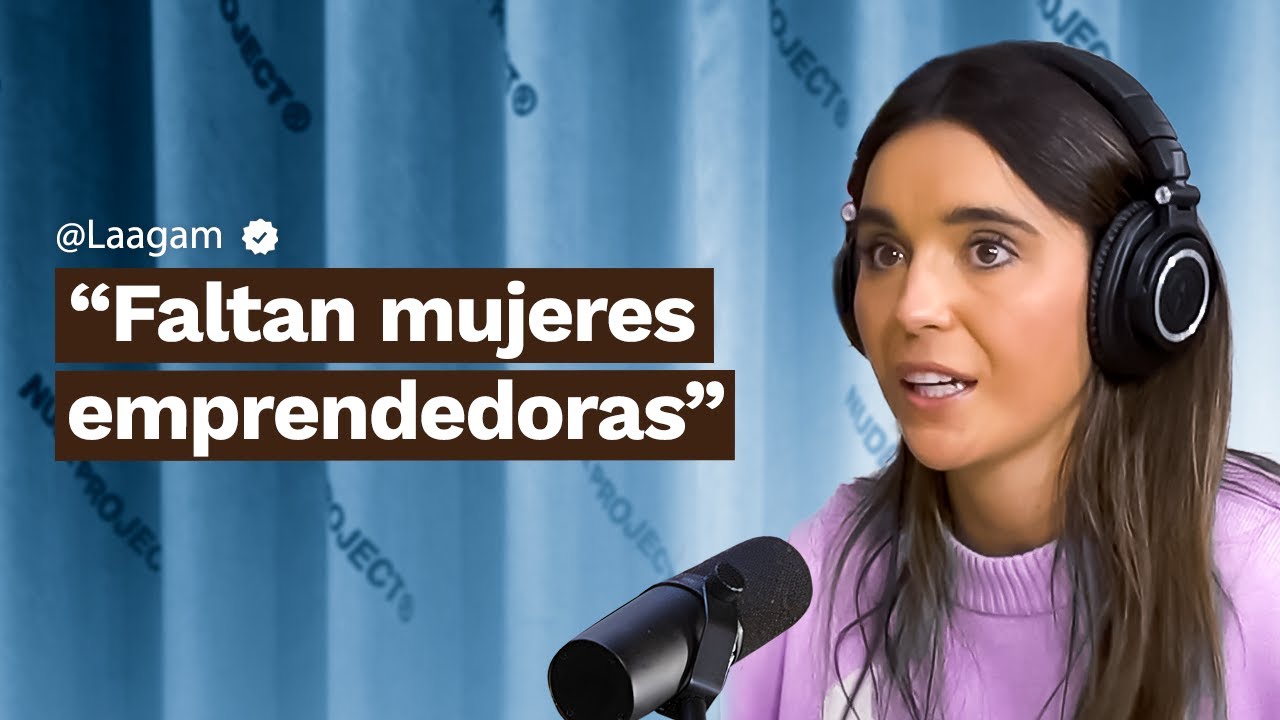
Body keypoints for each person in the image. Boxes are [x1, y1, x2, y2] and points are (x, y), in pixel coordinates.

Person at [724, 40, 1280, 720]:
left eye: (988, 250)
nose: (913, 308)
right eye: (885, 252)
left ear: (1138, 288)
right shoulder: (813, 578)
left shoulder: (1264, 576)